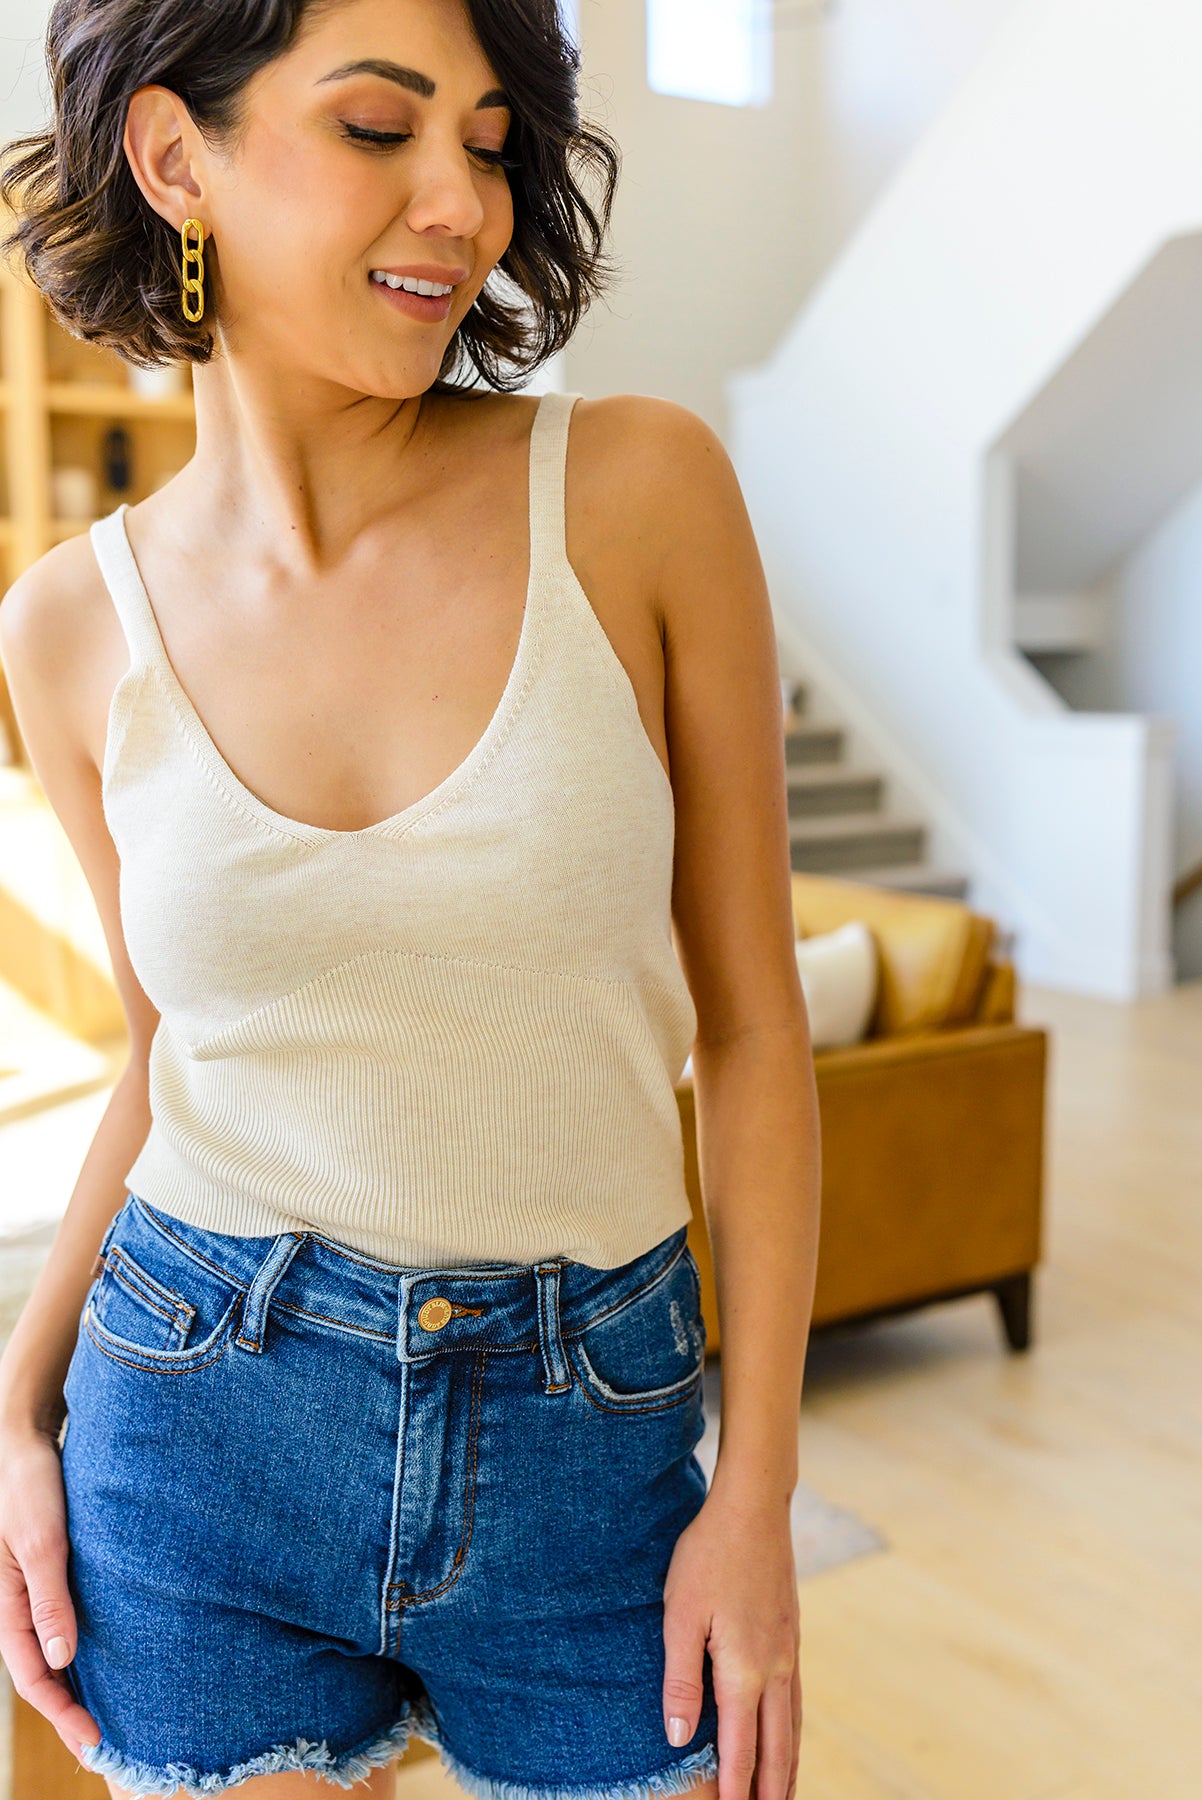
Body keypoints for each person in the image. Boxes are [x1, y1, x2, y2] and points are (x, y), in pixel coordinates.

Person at [0, 0, 821, 1796]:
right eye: (380, 129)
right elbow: (162, 1059)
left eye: (491, 140)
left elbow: (755, 1036)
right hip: (197, 1421)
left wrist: (753, 1501)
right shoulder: (67, 628)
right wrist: (14, 1405)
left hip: (589, 1440)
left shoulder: (637, 494)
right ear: (170, 159)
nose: (461, 198)